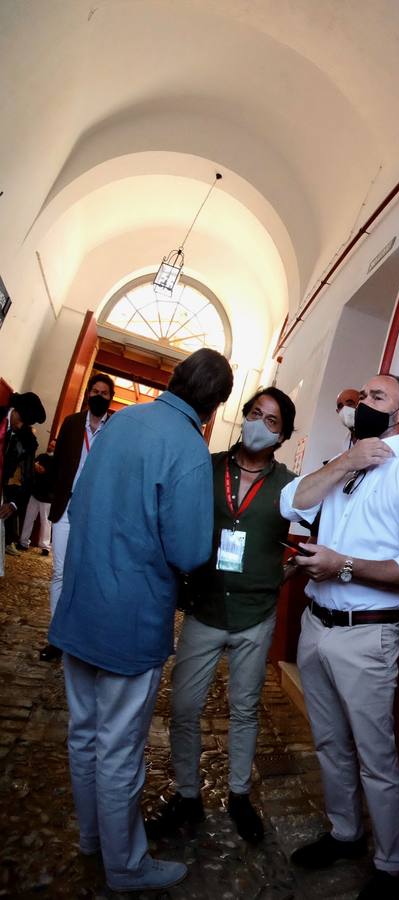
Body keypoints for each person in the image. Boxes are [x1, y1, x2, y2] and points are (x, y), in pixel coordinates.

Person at [48, 348, 233, 893]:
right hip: (130, 618)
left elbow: (78, 505)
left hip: (80, 604)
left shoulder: (121, 421)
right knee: (120, 749)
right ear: (215, 405)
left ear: (175, 380)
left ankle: (91, 838)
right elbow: (190, 548)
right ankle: (125, 866)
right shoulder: (189, 449)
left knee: (82, 735)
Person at [280, 373, 399, 900]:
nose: (361, 404)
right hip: (314, 626)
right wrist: (345, 460)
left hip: (366, 637)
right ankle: (344, 833)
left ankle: (391, 864)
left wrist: (342, 564)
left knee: (375, 755)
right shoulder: (341, 467)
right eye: (360, 397)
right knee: (328, 741)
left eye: (376, 398)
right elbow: (293, 504)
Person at [144, 387, 298, 845]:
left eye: (271, 421)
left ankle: (238, 796)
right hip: (205, 609)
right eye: (254, 413)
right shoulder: (207, 467)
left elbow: (318, 537)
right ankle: (188, 796)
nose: (259, 424)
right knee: (185, 707)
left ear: (283, 435)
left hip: (255, 615)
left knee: (245, 709)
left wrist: (280, 575)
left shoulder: (290, 486)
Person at [41, 372, 114, 662]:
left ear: (110, 397)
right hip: (65, 507)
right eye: (95, 390)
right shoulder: (72, 424)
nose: (99, 395)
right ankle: (56, 637)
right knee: (60, 572)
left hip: (95, 513)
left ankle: (77, 637)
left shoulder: (115, 429)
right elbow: (59, 464)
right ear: (88, 394)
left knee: (83, 574)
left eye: (105, 392)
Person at [1, 391, 45, 555]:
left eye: (26, 423)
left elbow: (28, 476)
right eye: (21, 420)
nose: (21, 426)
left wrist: (13, 503)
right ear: (15, 410)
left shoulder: (28, 440)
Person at [18, 452, 54, 552]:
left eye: (53, 445)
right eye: (51, 445)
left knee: (46, 522)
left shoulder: (56, 462)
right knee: (29, 518)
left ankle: (45, 547)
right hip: (35, 493)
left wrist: (42, 469)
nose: (51, 447)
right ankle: (23, 542)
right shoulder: (43, 456)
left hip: (47, 497)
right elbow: (34, 465)